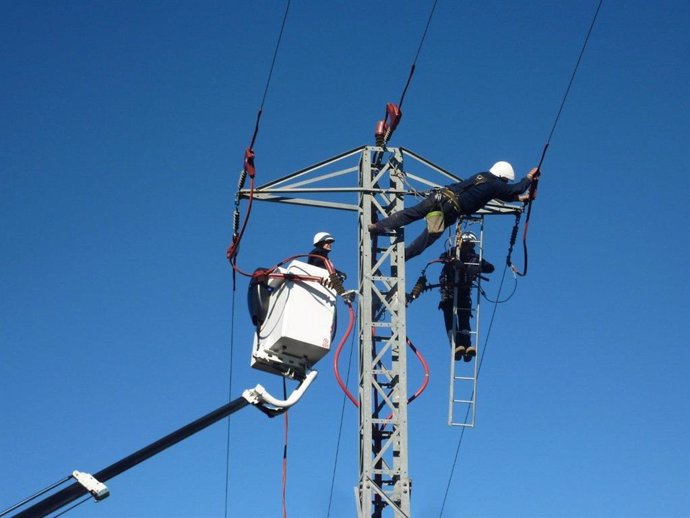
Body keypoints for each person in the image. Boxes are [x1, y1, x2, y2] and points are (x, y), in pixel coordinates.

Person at [368, 161, 539, 260]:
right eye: (505, 181)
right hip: (449, 211)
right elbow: (513, 189)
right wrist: (529, 178)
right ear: (503, 177)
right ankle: (404, 256)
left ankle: (378, 226)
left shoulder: (484, 177)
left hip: (440, 197)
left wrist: (521, 198)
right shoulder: (495, 185)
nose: (505, 184)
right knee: (429, 237)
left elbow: (504, 194)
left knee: (411, 214)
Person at [438, 232, 495, 362]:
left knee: (464, 317)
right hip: (449, 291)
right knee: (449, 315)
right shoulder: (453, 252)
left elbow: (490, 268)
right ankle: (456, 344)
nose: (468, 246)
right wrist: (454, 261)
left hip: (464, 291)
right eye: (466, 244)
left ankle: (466, 345)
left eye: (470, 244)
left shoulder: (474, 258)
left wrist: (477, 269)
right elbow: (442, 258)